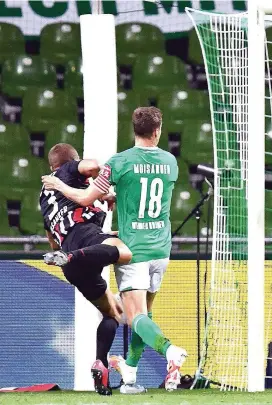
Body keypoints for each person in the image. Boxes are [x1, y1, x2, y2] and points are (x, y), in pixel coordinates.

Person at [42, 107, 187, 392]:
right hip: (161, 247)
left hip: (133, 248)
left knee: (133, 317)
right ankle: (129, 376)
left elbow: (84, 198)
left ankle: (169, 352)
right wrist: (113, 196)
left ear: (133, 130)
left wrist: (62, 184)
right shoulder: (171, 162)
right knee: (140, 314)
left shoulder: (119, 162)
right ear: (158, 131)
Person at [40, 143, 135, 396]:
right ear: (71, 162)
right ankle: (72, 257)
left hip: (71, 261)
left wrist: (101, 199)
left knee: (113, 313)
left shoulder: (44, 198)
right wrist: (101, 185)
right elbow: (93, 166)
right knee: (125, 253)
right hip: (83, 241)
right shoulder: (67, 172)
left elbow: (52, 238)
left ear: (50, 167)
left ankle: (100, 364)